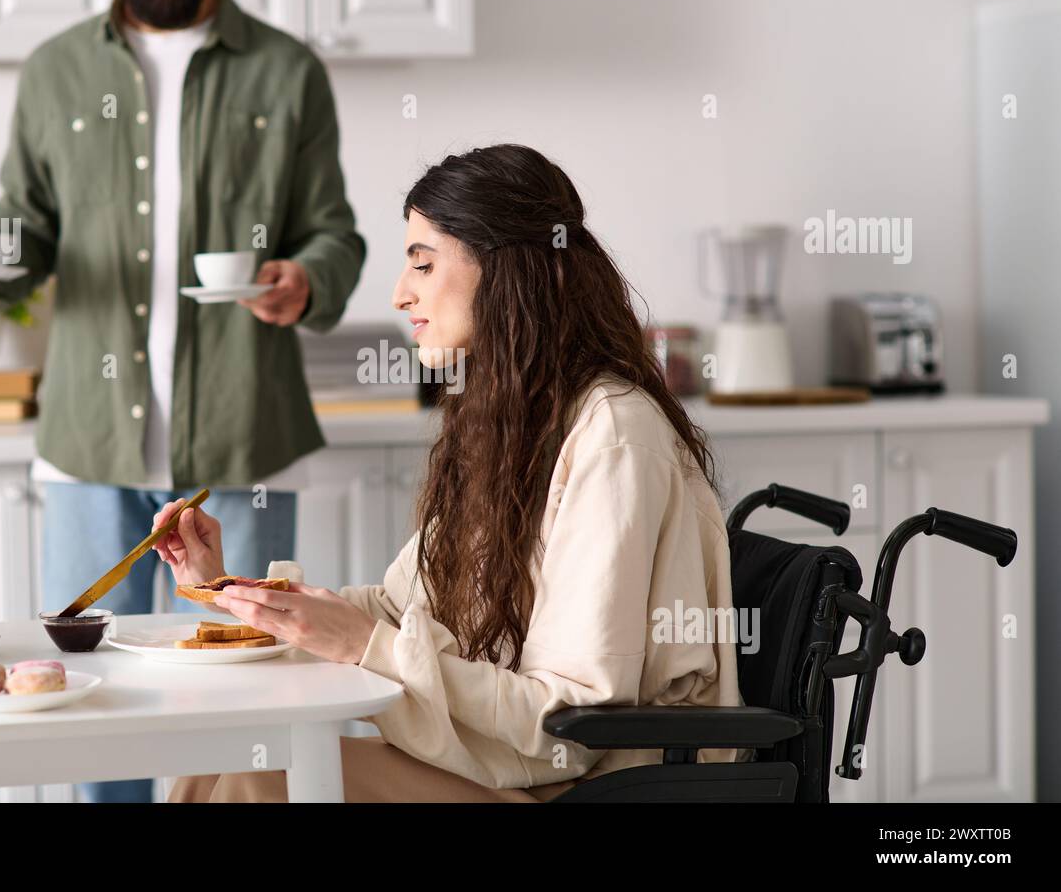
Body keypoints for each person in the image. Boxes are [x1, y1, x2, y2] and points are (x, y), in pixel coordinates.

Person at [155, 144, 744, 802]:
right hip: (516, 769)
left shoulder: (611, 435)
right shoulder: (509, 419)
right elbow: (399, 609)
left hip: (586, 788)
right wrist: (233, 595)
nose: (401, 293)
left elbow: (577, 725)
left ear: (508, 271)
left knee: (262, 773)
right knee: (220, 757)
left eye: (424, 264)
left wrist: (367, 648)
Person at [0, 0, 364, 802]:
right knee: (95, 715)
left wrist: (308, 278)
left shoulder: (287, 70)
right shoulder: (53, 70)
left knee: (248, 704)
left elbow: (333, 231)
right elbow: (30, 228)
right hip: (88, 443)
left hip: (247, 441)